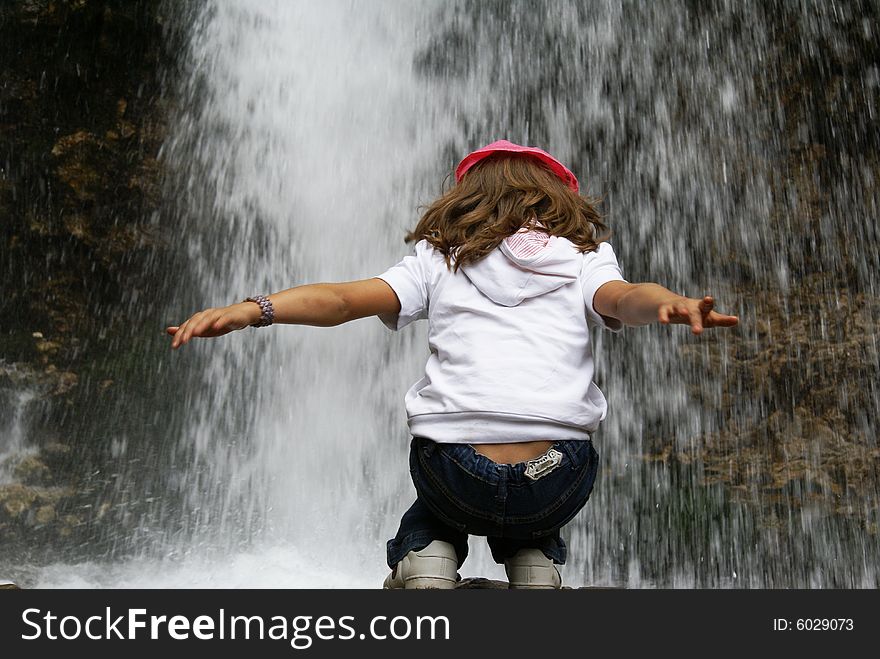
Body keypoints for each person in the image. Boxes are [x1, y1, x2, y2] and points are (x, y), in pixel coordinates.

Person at [167, 139, 739, 589]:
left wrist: (253, 309)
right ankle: (536, 558)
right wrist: (671, 304)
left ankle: (424, 556)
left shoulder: (438, 259)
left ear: (465, 200)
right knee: (535, 494)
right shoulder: (585, 259)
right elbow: (626, 296)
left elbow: (342, 301)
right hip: (559, 474)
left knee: (442, 470)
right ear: (559, 200)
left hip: (455, 471)